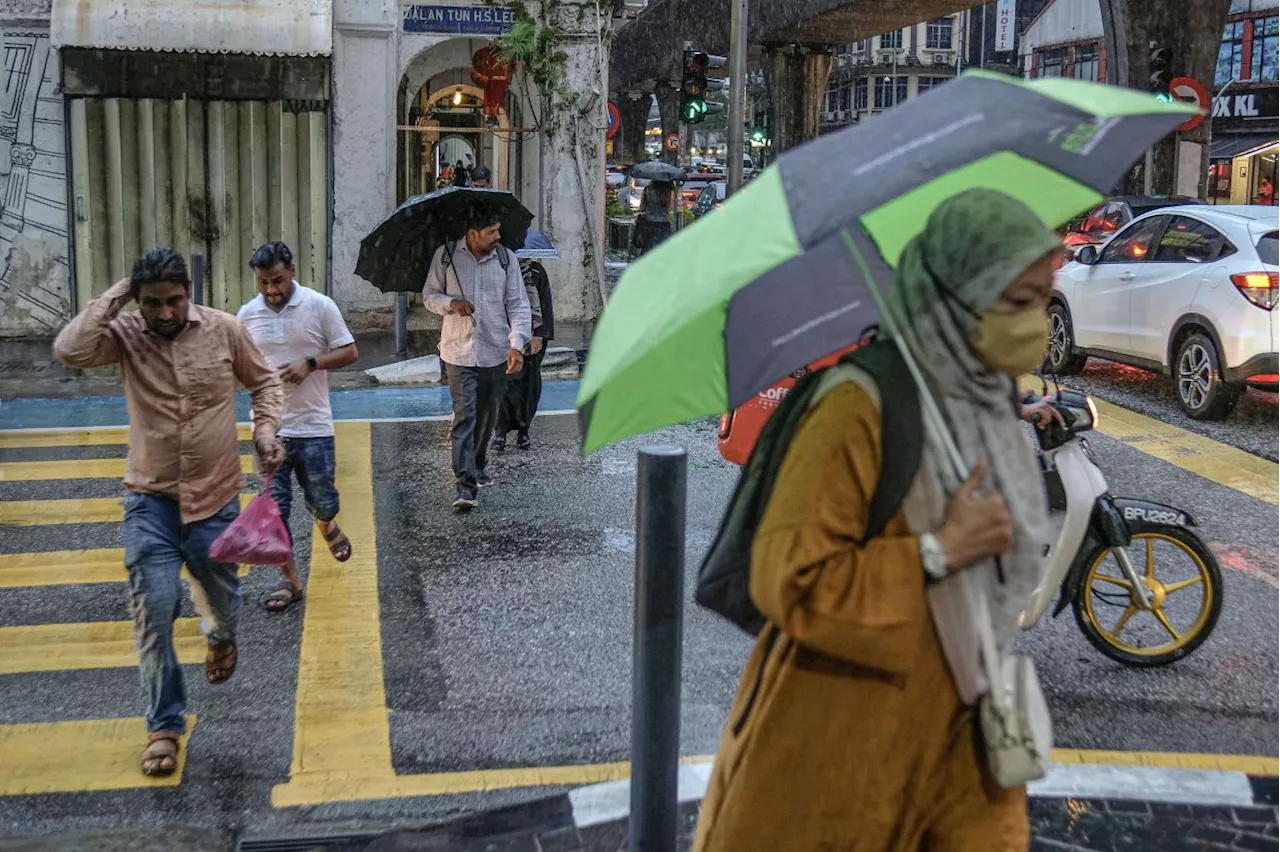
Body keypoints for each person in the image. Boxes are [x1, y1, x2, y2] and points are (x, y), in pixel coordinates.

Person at [693, 189, 1058, 851]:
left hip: (960, 734)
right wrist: (939, 550)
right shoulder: (858, 404)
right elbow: (791, 578)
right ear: (957, 294)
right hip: (835, 748)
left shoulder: (982, 396)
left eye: (1043, 299)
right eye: (1016, 302)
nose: (1036, 323)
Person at [52, 247, 285, 777]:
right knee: (154, 610)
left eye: (174, 301)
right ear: (139, 300)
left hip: (216, 498)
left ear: (189, 295)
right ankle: (164, 726)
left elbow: (266, 382)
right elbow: (69, 350)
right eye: (152, 303)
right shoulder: (125, 334)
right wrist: (117, 294)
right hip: (149, 500)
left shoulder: (224, 330)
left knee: (224, 605)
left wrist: (266, 431)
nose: (164, 313)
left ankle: (221, 637)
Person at [238, 242, 359, 612]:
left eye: (277, 280)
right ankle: (289, 581)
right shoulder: (245, 315)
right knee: (276, 509)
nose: (271, 290)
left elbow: (350, 351)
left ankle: (326, 524)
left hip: (314, 425)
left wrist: (311, 363)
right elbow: (237, 364)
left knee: (322, 499)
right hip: (268, 429)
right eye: (263, 283)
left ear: (292, 270)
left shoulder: (319, 305)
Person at [423, 207, 532, 510]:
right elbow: (429, 295)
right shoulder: (446, 256)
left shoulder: (505, 258)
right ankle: (465, 485)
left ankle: (478, 463)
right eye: (491, 232)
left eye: (498, 230)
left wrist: (517, 344)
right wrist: (451, 303)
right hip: (458, 351)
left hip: (496, 350)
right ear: (472, 234)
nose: (498, 236)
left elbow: (518, 304)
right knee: (465, 415)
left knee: (486, 416)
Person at [494, 257, 555, 451]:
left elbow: (545, 305)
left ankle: (523, 430)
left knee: (528, 387)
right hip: (502, 336)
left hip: (531, 339)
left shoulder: (536, 272)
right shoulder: (497, 270)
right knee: (501, 386)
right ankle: (500, 431)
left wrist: (539, 335)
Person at [631, 180, 674, 257]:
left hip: (648, 222)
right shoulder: (669, 191)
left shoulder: (647, 189)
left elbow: (642, 207)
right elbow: (670, 207)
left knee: (647, 247)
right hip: (663, 223)